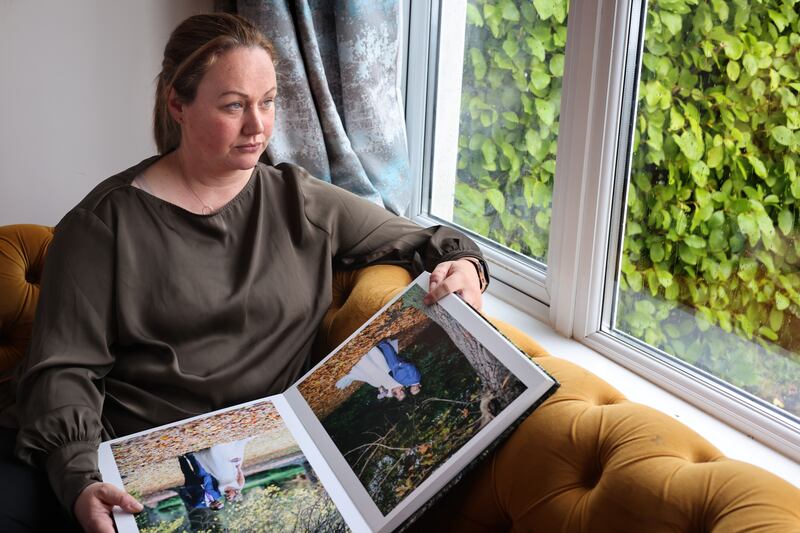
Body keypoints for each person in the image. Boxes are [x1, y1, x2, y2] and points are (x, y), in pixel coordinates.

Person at [0, 13, 487, 533]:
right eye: (234, 105)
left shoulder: (299, 200)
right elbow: (63, 372)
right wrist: (79, 480)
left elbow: (419, 239)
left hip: (269, 454)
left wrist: (467, 266)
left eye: (268, 101)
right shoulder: (101, 227)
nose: (258, 127)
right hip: (126, 463)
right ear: (177, 105)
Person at [335, 347, 406, 401]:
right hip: (385, 373)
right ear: (403, 392)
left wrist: (382, 392)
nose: (399, 394)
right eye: (401, 394)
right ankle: (367, 356)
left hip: (379, 380)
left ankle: (360, 366)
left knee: (375, 382)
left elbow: (380, 388)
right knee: (376, 365)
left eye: (399, 396)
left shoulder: (390, 394)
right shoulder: (401, 383)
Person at [194, 438, 251, 502]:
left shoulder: (221, 491)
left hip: (216, 473)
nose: (228, 497)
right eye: (230, 497)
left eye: (228, 498)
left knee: (212, 460)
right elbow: (241, 475)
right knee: (217, 455)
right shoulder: (239, 486)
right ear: (235, 494)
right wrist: (237, 468)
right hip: (228, 470)